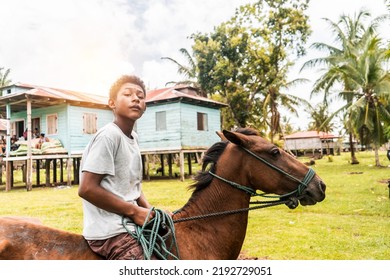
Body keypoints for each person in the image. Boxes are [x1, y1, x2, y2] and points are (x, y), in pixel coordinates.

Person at [78, 75, 155, 260]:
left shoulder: (133, 138)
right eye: (127, 94)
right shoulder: (108, 136)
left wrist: (151, 211)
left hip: (128, 223)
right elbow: (87, 189)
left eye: (140, 96)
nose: (136, 98)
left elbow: (132, 188)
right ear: (112, 103)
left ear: (144, 106)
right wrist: (135, 211)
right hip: (109, 232)